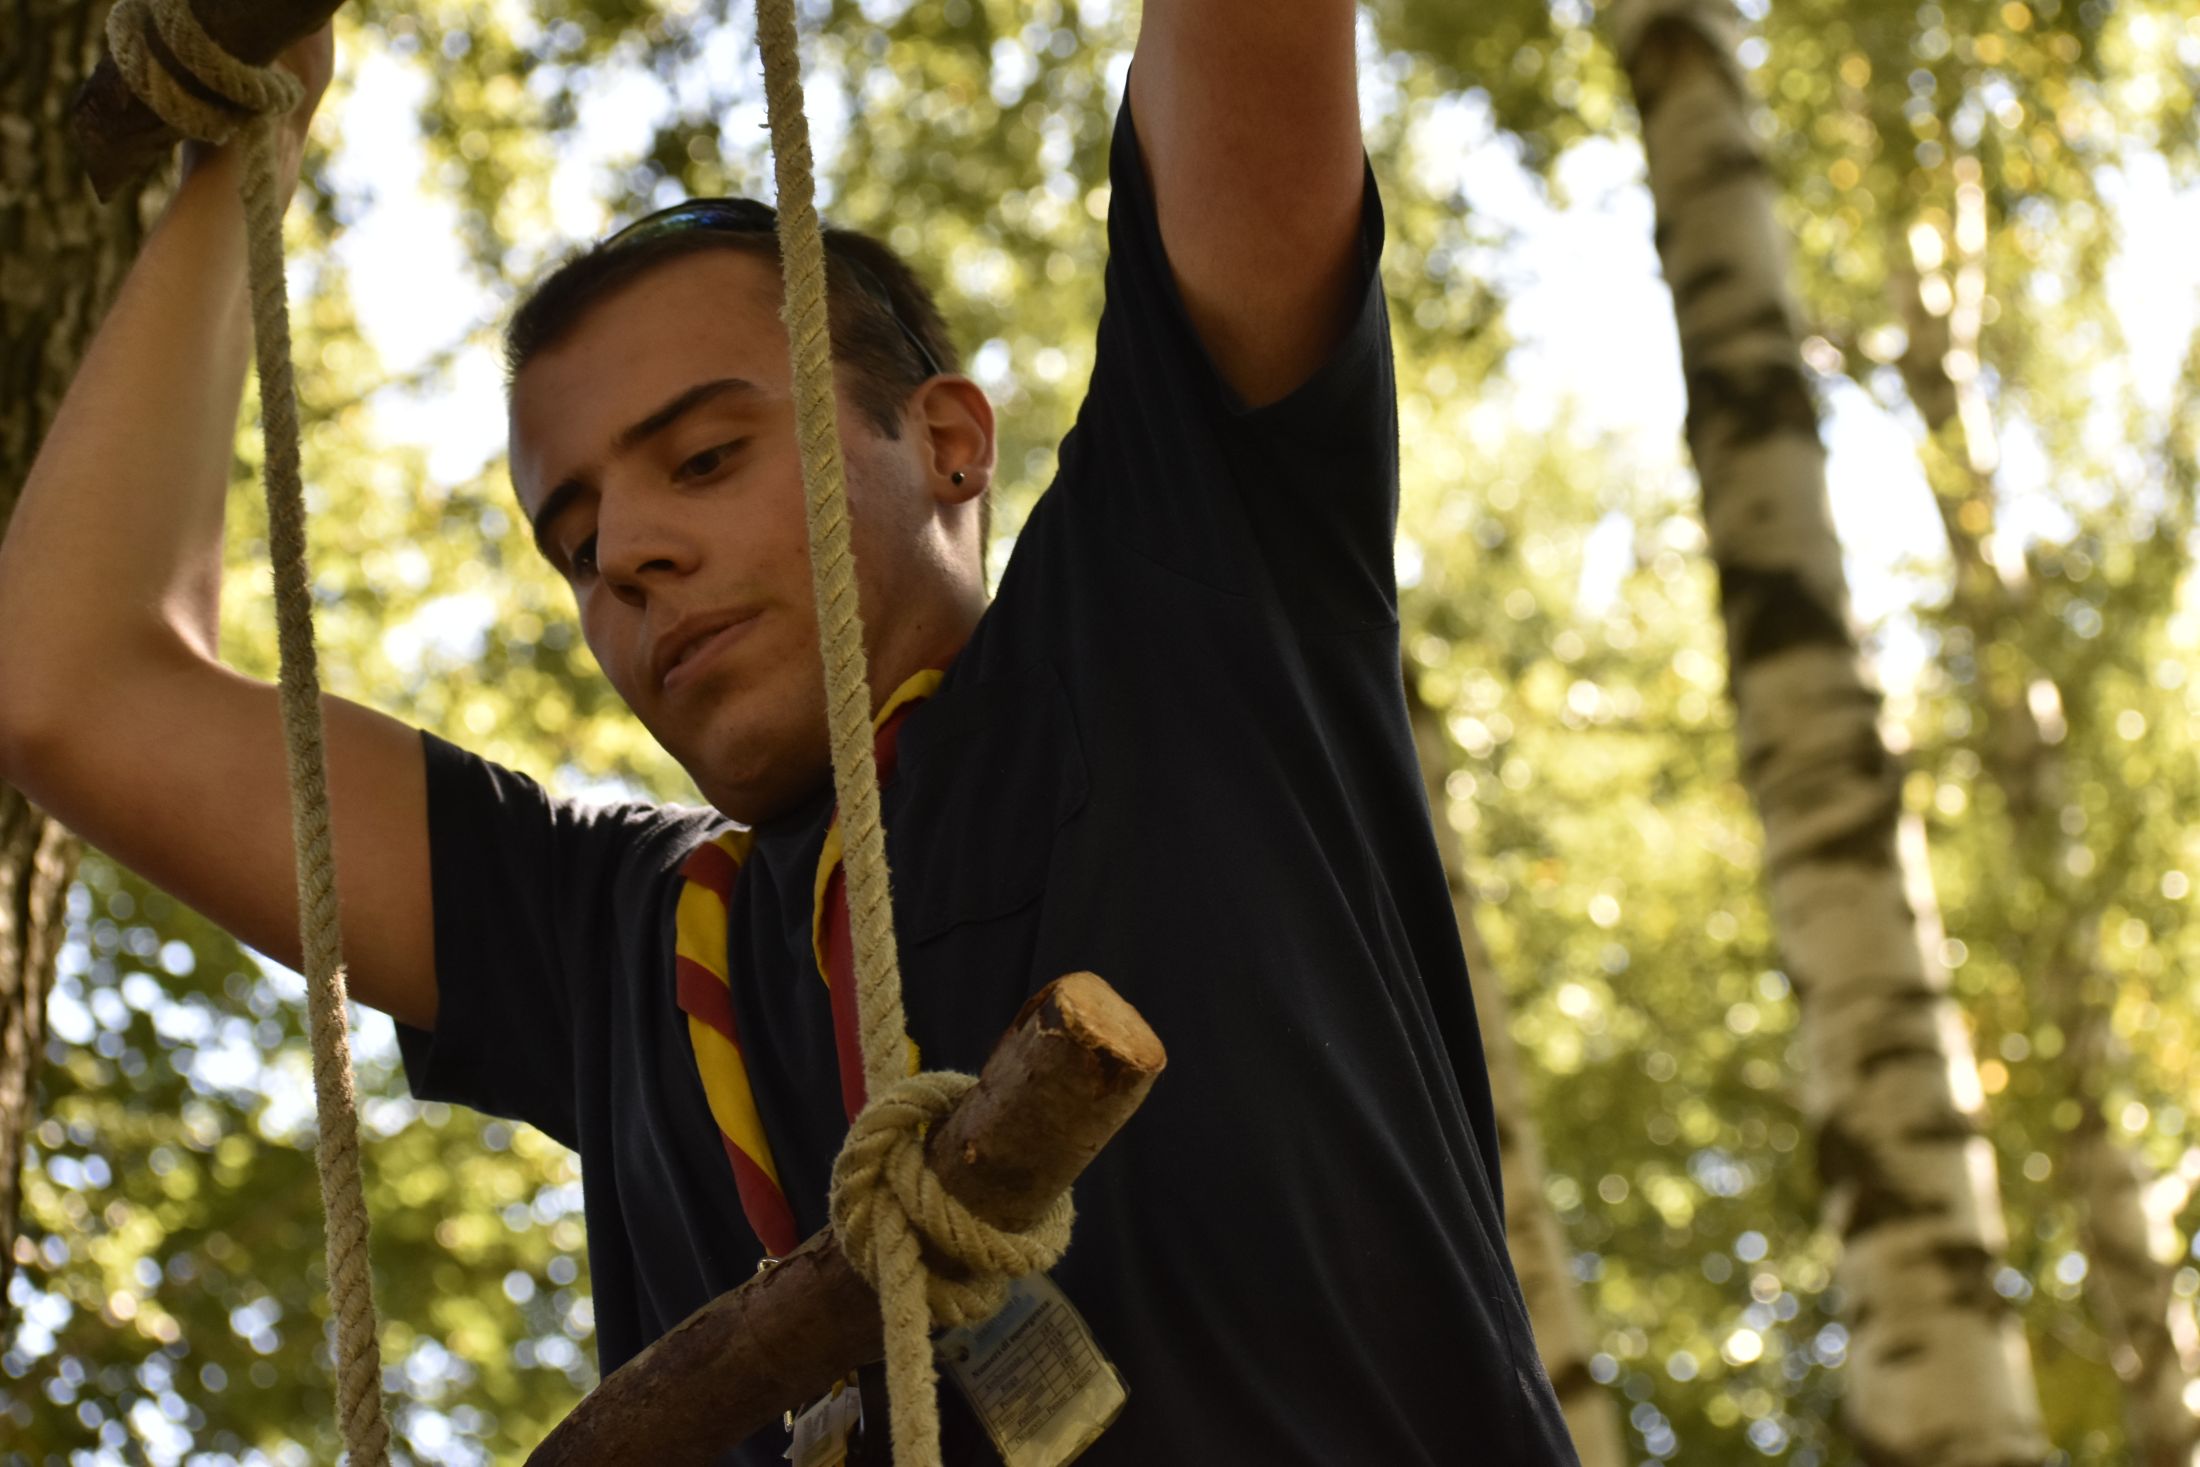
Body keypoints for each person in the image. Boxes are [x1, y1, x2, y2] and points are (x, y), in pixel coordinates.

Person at [0, 6, 1577, 1464]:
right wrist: (249, 147)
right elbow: (74, 685)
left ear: (948, 445)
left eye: (702, 457)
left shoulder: (1173, 610)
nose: (627, 554)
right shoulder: (610, 941)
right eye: (575, 543)